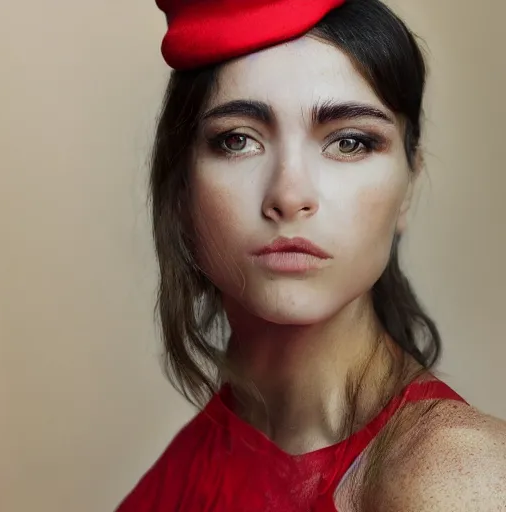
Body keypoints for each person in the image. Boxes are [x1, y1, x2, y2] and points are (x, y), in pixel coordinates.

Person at [116, 0, 506, 510]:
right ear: (181, 185)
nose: (289, 193)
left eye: (349, 142)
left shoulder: (455, 478)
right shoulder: (198, 457)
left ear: (409, 184)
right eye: (238, 140)